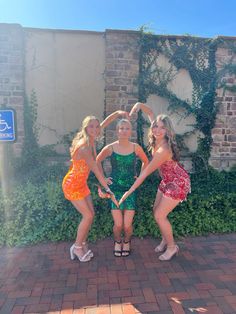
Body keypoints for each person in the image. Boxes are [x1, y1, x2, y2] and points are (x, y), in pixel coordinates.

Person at [119, 103, 191, 261]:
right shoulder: (156, 137)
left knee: (160, 215)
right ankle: (166, 239)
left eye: (162, 128)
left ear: (167, 131)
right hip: (167, 180)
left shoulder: (163, 150)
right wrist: (138, 106)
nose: (157, 130)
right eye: (155, 126)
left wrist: (128, 192)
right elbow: (150, 112)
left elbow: (145, 173)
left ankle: (172, 247)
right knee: (156, 211)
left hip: (178, 182)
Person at [62, 111, 128, 262]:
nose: (95, 129)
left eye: (97, 127)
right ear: (85, 128)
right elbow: (96, 170)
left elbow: (103, 124)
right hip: (72, 184)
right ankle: (77, 247)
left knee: (90, 214)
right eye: (91, 126)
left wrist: (117, 114)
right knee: (88, 215)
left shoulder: (92, 138)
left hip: (81, 184)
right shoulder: (84, 147)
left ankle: (82, 243)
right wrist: (108, 189)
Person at [96, 119, 149, 257]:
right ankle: (117, 241)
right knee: (118, 225)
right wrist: (104, 180)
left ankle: (127, 241)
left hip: (130, 189)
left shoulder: (135, 147)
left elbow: (146, 161)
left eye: (127, 128)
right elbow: (97, 161)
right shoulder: (111, 148)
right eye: (121, 128)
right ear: (117, 131)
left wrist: (139, 176)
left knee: (127, 225)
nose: (124, 131)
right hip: (114, 190)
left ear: (130, 131)